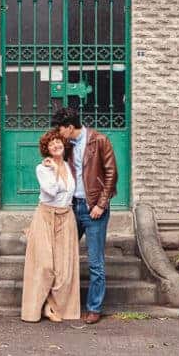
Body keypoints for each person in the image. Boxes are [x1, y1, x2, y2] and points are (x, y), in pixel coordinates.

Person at [51, 107, 118, 325]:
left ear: (70, 127)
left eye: (61, 130)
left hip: (93, 210)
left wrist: (101, 204)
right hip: (72, 207)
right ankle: (61, 304)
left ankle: (94, 308)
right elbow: (57, 161)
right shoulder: (67, 146)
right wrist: (48, 163)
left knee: (95, 262)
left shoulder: (99, 140)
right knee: (62, 257)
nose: (59, 135)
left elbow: (111, 173)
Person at [21, 129, 80, 323]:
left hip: (66, 217)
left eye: (58, 142)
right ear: (46, 149)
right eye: (51, 144)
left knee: (63, 267)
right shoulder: (43, 168)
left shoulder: (70, 166)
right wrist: (54, 170)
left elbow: (72, 193)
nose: (56, 145)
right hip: (46, 216)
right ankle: (38, 307)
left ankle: (53, 306)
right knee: (45, 265)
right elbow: (51, 191)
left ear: (63, 145)